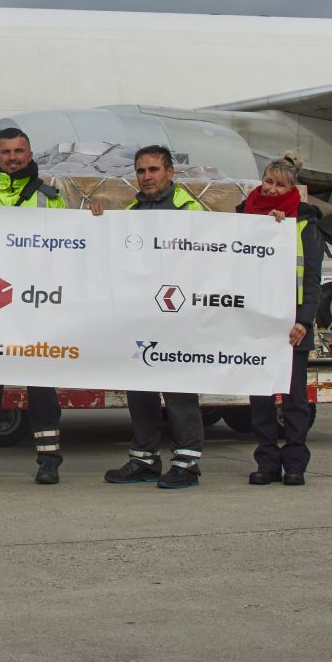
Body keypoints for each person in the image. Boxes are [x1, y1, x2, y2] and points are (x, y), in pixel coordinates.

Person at [0, 127, 66, 485]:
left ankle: (49, 460)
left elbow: (69, 246)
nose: (14, 157)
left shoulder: (50, 198)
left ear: (30, 155)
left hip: (35, 305)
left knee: (41, 388)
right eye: (6, 152)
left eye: (20, 151)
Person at [103, 145, 208, 489]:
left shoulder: (190, 210)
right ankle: (144, 459)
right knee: (140, 391)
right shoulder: (132, 212)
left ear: (170, 173)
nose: (147, 177)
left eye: (153, 170)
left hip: (178, 314)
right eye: (141, 171)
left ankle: (187, 463)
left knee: (179, 390)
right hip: (141, 315)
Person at [241, 158, 325, 486]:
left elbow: (313, 278)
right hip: (257, 323)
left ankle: (295, 461)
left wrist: (304, 320)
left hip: (293, 326)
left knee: (294, 399)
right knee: (260, 397)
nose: (271, 189)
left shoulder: (304, 222)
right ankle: (266, 460)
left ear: (292, 189)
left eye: (279, 185)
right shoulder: (243, 215)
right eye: (268, 181)